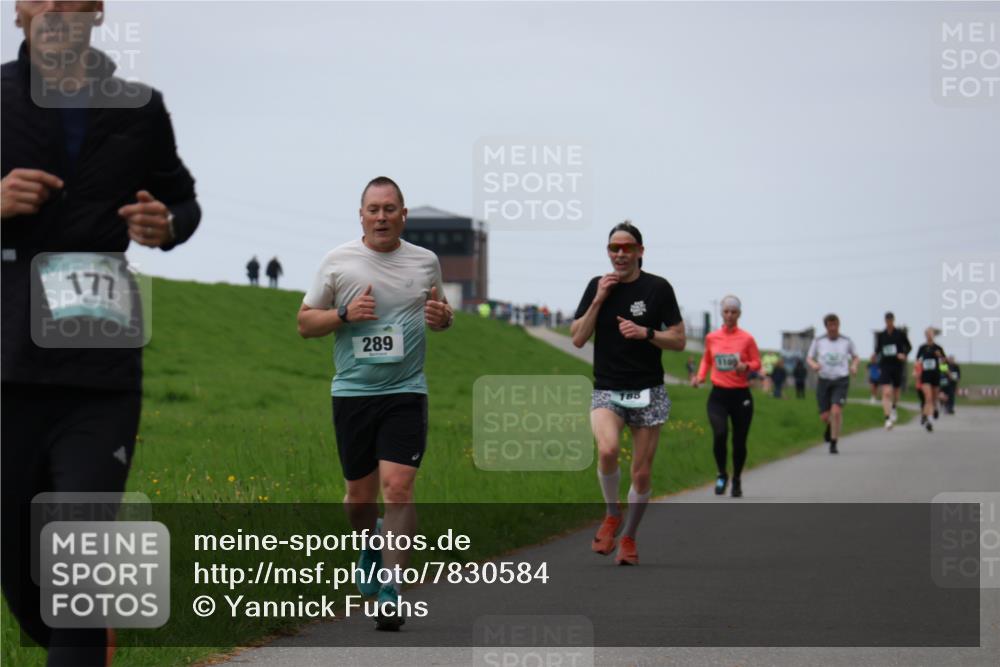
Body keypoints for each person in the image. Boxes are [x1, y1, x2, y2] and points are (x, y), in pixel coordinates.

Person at [2, 2, 201, 664]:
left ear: (97, 14)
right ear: (19, 15)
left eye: (73, 0)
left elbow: (183, 199)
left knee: (80, 559)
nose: (58, 11)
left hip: (100, 371)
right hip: (8, 369)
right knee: (23, 573)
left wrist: (166, 223)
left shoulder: (139, 108)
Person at [297, 177, 452, 630]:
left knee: (399, 488)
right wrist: (344, 314)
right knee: (358, 499)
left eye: (390, 209)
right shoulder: (338, 262)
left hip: (406, 391)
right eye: (373, 209)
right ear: (361, 215)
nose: (381, 217)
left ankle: (392, 588)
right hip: (353, 394)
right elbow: (305, 324)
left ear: (404, 215)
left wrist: (444, 318)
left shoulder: (425, 262)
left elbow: (439, 312)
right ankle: (369, 545)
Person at [571, 221, 685, 566]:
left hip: (648, 389)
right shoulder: (597, 285)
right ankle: (611, 514)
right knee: (606, 450)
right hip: (607, 388)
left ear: (640, 252)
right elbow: (577, 338)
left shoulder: (658, 288)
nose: (620, 255)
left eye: (627, 248)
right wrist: (599, 299)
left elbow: (678, 340)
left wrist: (646, 332)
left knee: (641, 472)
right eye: (614, 249)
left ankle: (630, 538)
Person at [691, 296, 761, 498]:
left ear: (739, 314)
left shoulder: (747, 339)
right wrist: (700, 377)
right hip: (718, 395)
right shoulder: (712, 337)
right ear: (722, 313)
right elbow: (706, 359)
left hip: (741, 396)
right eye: (726, 311)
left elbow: (757, 362)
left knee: (739, 442)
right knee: (720, 434)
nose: (730, 315)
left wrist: (746, 366)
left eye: (734, 312)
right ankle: (722, 473)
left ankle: (737, 478)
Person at [806, 314, 859, 454]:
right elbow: (809, 358)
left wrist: (854, 366)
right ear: (826, 326)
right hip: (824, 379)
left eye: (835, 325)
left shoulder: (846, 341)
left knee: (836, 411)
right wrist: (814, 365)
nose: (833, 328)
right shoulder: (818, 341)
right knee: (825, 416)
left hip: (841, 379)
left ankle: (834, 443)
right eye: (830, 325)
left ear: (838, 325)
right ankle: (830, 427)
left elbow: (855, 357)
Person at [873, 312, 911, 430]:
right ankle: (887, 419)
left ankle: (894, 407)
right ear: (885, 321)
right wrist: (876, 360)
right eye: (887, 320)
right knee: (886, 392)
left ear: (893, 320)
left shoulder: (899, 334)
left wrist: (903, 354)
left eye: (891, 320)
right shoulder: (882, 335)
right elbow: (878, 350)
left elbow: (909, 346)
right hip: (885, 365)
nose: (889, 322)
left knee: (896, 390)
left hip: (897, 365)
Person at [914, 327, 946, 432]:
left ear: (933, 335)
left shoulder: (938, 348)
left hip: (935, 375)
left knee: (933, 399)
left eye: (931, 334)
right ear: (925, 335)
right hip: (925, 376)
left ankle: (926, 414)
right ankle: (930, 421)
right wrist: (917, 371)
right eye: (927, 334)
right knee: (928, 397)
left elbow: (944, 363)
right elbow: (917, 361)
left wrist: (940, 357)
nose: (929, 335)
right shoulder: (922, 348)